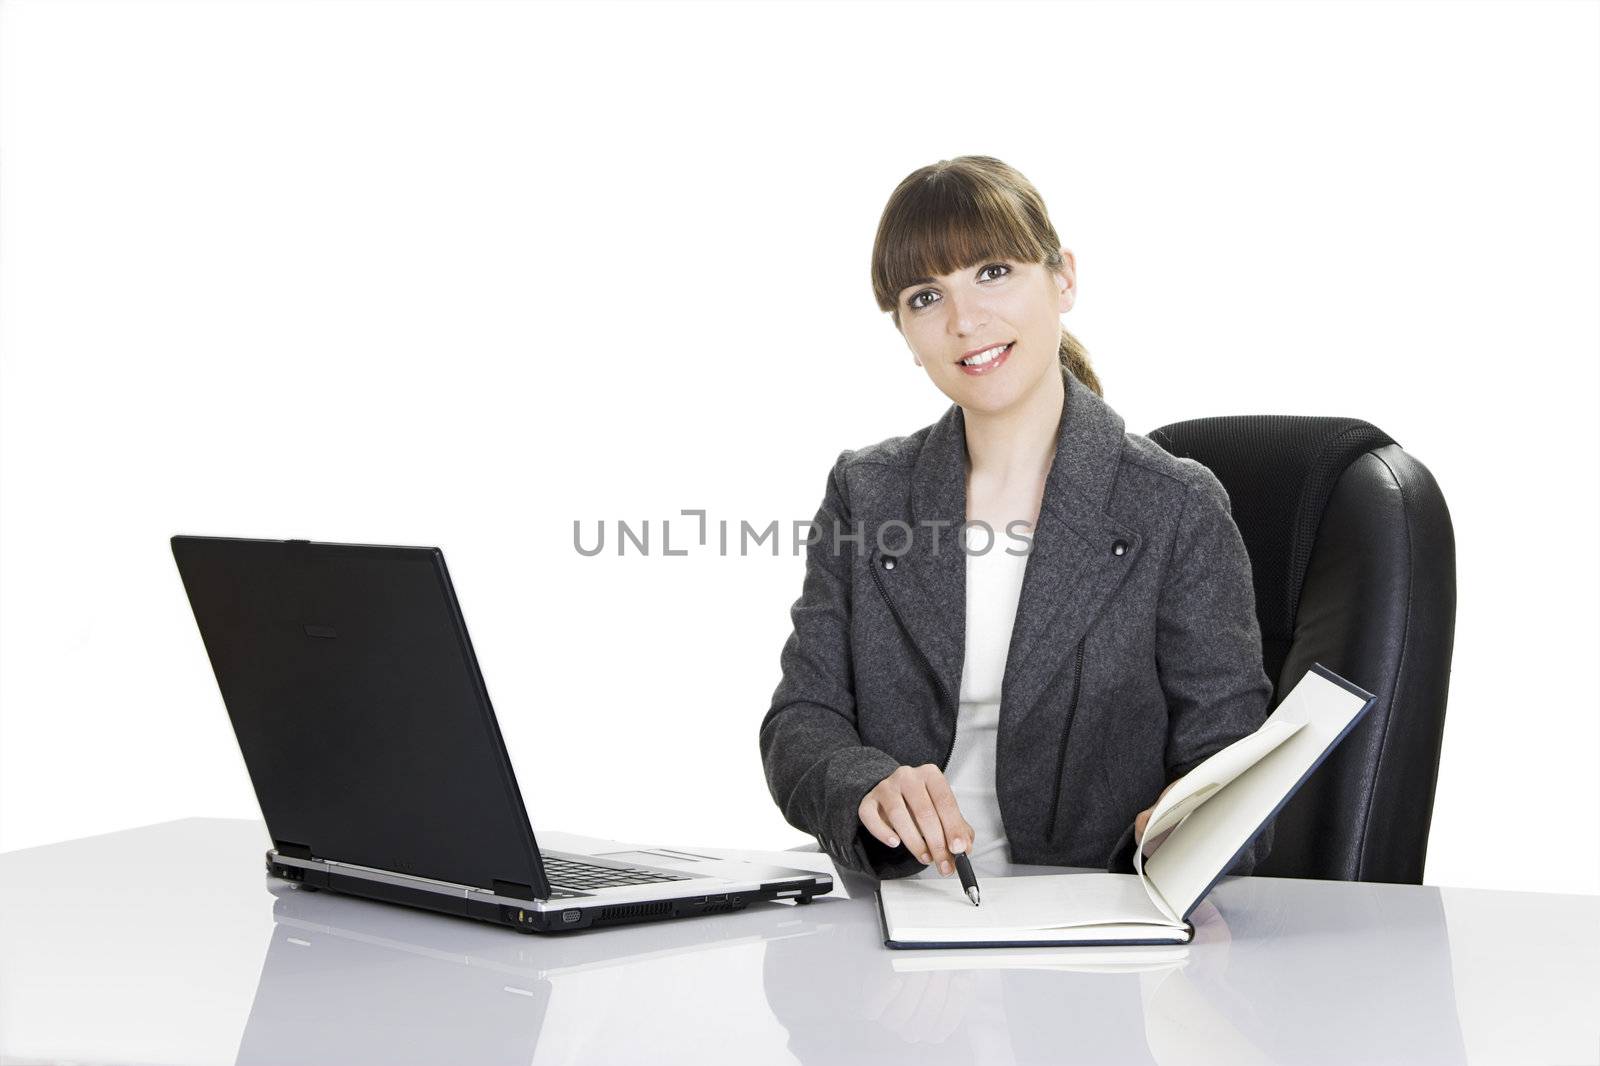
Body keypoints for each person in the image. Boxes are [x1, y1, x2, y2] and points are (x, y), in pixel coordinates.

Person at [758, 155, 1274, 883]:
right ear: (905, 332)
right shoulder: (866, 494)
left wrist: (1181, 831)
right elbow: (801, 719)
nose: (965, 321)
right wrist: (863, 783)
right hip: (902, 911)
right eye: (925, 296)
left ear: (1062, 277)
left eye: (993, 272)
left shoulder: (1176, 505)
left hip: (1096, 919)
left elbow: (1235, 760)